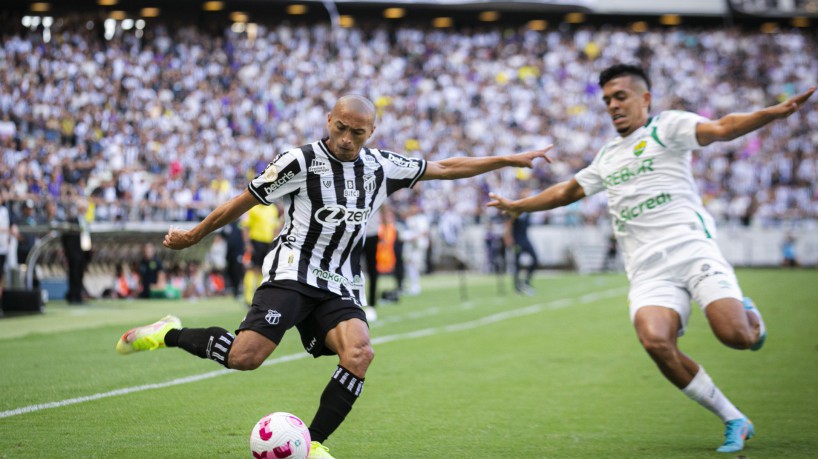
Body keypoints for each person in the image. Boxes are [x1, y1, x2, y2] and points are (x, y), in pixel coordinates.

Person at [115, 94, 551, 459]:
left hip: (339, 283)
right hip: (291, 273)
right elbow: (242, 202)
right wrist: (195, 235)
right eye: (340, 128)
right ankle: (169, 333)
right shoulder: (299, 161)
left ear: (370, 134)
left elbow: (446, 167)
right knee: (245, 357)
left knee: (359, 353)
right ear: (329, 120)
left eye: (356, 133)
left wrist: (506, 160)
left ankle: (313, 444)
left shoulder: (381, 167)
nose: (345, 139)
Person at [488, 63, 816, 454]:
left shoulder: (668, 127)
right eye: (607, 100)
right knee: (655, 341)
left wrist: (771, 113)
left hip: (692, 250)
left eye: (620, 96)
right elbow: (566, 191)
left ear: (645, 98)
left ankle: (752, 320)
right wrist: (518, 206)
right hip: (647, 270)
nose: (612, 105)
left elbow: (723, 127)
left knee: (737, 337)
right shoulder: (608, 155)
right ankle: (734, 419)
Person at [241, 201, 280, 306]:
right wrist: (247, 243)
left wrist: (274, 243)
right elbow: (245, 227)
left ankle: (259, 296)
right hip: (255, 241)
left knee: (264, 269)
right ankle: (248, 297)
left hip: (268, 243)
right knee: (252, 269)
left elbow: (275, 228)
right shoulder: (253, 208)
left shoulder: (273, 209)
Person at [504, 189, 538, 296]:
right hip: (517, 240)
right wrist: (508, 237)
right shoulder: (516, 208)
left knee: (535, 259)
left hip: (525, 238)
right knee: (517, 263)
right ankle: (517, 286)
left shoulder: (528, 209)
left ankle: (526, 282)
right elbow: (508, 224)